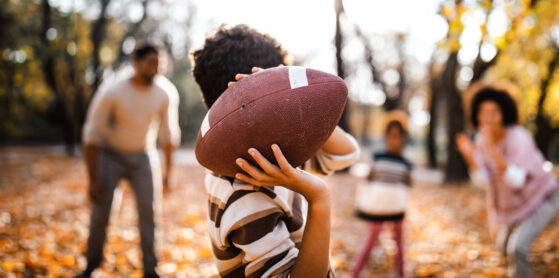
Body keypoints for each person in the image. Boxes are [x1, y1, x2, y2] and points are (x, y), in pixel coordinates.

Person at [191, 24, 360, 278]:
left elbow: (347, 154)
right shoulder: (242, 193)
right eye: (277, 78)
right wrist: (319, 198)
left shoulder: (277, 150)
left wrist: (299, 103)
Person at [78, 43, 181, 278]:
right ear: (135, 63)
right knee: (101, 213)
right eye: (150, 64)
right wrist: (92, 179)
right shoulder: (112, 90)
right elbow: (91, 136)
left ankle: (151, 270)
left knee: (150, 212)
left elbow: (169, 136)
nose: (155, 69)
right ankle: (90, 267)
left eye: (160, 65)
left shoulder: (165, 93)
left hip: (143, 156)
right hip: (109, 155)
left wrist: (168, 173)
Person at [456, 86, 558, 278]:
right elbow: (484, 181)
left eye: (494, 112)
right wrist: (471, 158)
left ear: (504, 114)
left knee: (517, 248)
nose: (488, 118)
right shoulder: (481, 139)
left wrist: (493, 152)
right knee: (503, 247)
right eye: (483, 113)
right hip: (515, 204)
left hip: (544, 197)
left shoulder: (517, 137)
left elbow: (518, 181)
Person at [352, 115, 412, 278]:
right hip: (377, 208)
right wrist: (361, 204)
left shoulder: (406, 164)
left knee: (400, 244)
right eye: (391, 135)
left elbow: (407, 186)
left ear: (403, 139)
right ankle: (355, 273)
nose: (394, 140)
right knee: (369, 242)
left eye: (398, 136)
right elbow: (367, 181)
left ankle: (401, 273)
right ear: (386, 137)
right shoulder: (377, 158)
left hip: (397, 209)